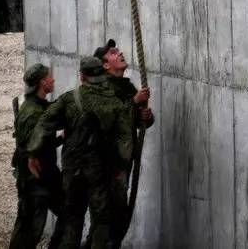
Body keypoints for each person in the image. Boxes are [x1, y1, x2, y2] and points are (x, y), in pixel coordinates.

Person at [29, 57, 133, 249]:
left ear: (82, 76)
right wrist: (121, 166)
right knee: (101, 219)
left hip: (73, 171)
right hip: (100, 172)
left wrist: (32, 153)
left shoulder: (70, 99)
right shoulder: (114, 103)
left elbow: (44, 124)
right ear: (102, 75)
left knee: (71, 218)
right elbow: (125, 138)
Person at [93, 40, 152, 247]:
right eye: (113, 52)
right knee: (108, 214)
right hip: (107, 161)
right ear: (105, 65)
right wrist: (134, 103)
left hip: (123, 160)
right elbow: (109, 119)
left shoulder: (126, 86)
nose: (119, 52)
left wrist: (145, 116)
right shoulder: (102, 89)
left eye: (118, 49)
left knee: (117, 214)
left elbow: (134, 121)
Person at [10, 64, 64, 249]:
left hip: (46, 176)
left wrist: (60, 139)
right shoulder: (32, 112)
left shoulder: (38, 106)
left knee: (68, 214)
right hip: (35, 180)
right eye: (50, 77)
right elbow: (29, 149)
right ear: (42, 82)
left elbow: (43, 142)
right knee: (29, 229)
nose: (53, 80)